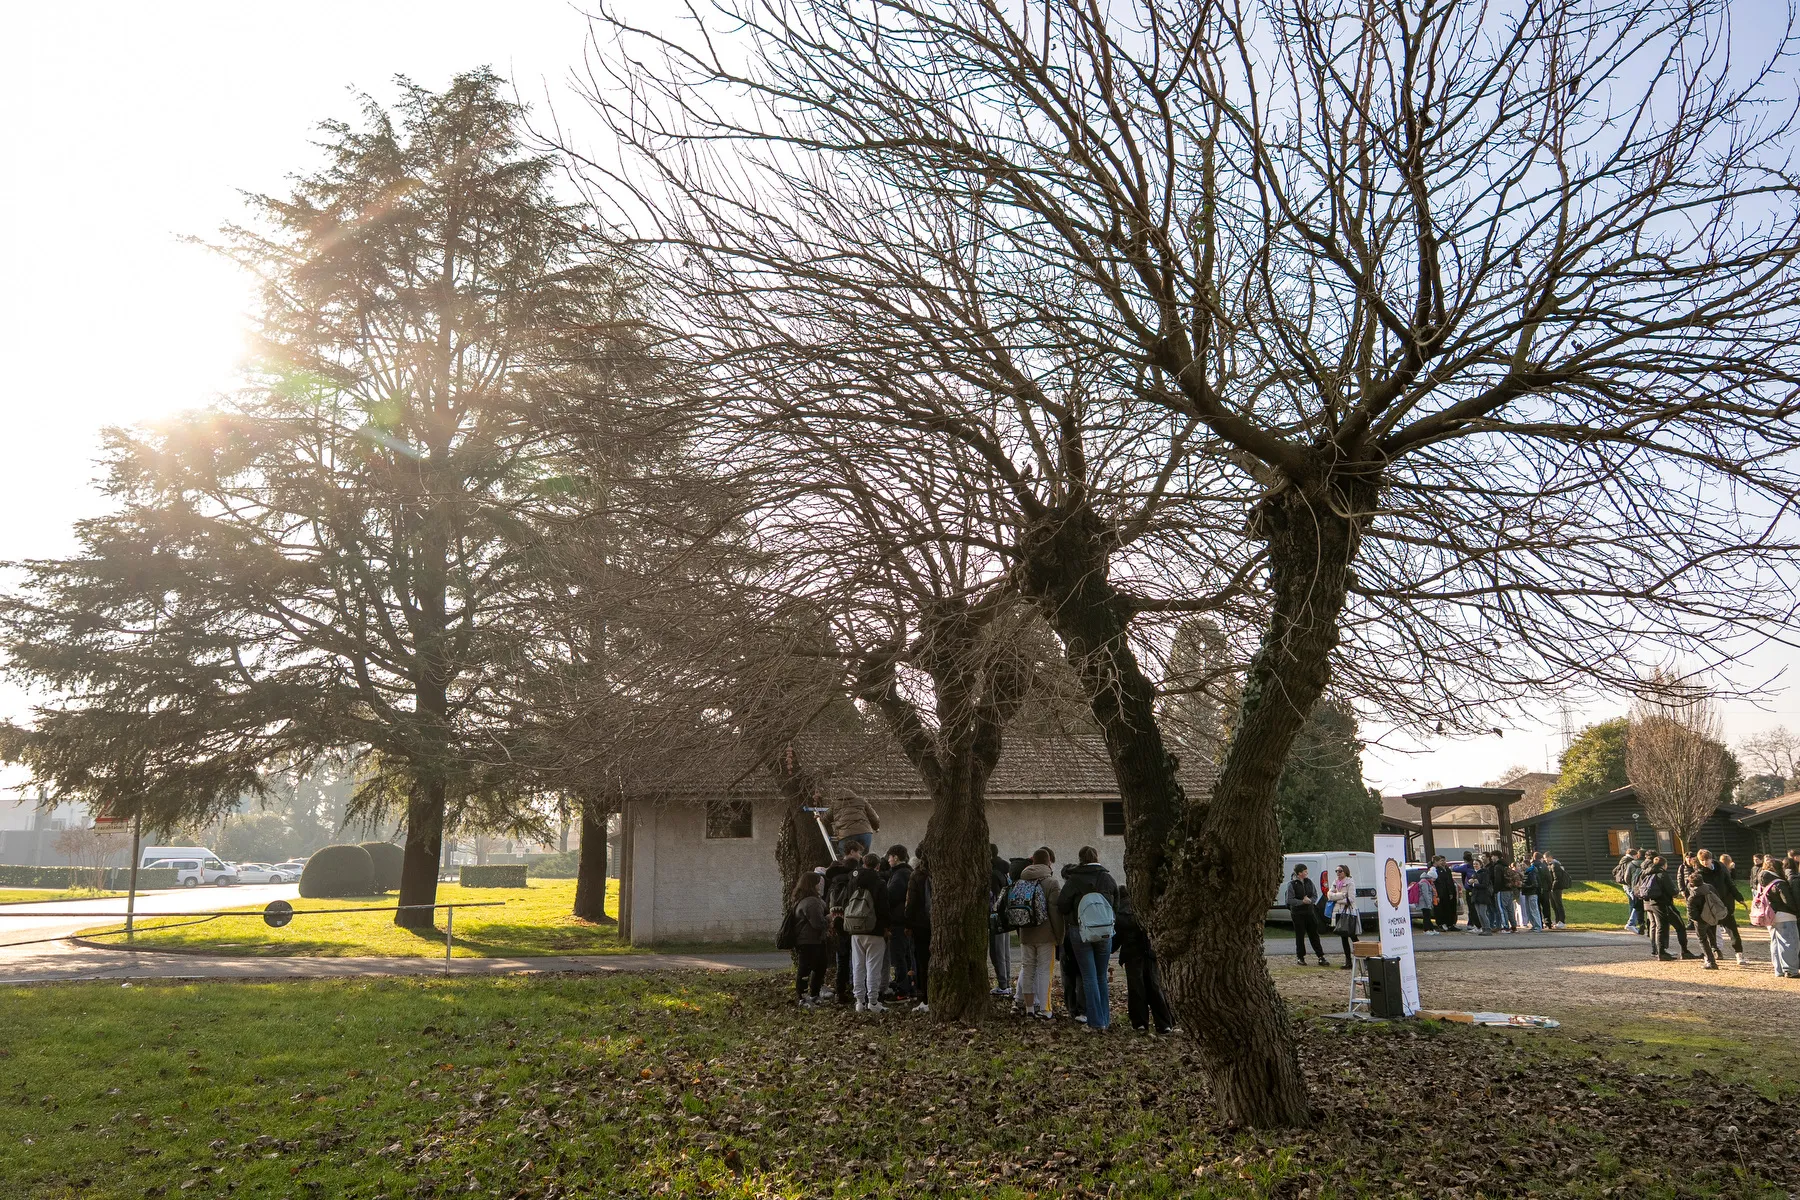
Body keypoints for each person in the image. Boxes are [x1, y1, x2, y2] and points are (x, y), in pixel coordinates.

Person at [1058, 846, 1119, 1031]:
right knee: (1101, 976)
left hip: (1080, 931)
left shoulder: (1074, 880)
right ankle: (1105, 1019)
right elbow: (1115, 905)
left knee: (1089, 976)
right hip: (1104, 931)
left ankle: (1095, 1022)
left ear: (1080, 859)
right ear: (1097, 857)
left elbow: (1062, 905)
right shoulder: (1107, 878)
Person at [1113, 886, 1174, 1034]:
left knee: (1136, 988)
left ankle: (1140, 1022)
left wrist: (1108, 949)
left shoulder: (1120, 914)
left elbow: (1117, 938)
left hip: (1131, 954)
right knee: (1154, 987)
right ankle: (1164, 1023)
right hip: (1150, 952)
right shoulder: (1144, 909)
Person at [1010, 849, 1062, 1018]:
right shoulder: (1051, 883)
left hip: (1025, 933)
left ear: (1032, 862)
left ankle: (1029, 1008)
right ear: (1048, 862)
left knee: (1028, 969)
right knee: (1044, 971)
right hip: (1046, 935)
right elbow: (1055, 913)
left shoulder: (1021, 881)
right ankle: (1045, 1010)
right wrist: (1059, 935)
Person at [841, 854, 892, 1012]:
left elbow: (845, 902)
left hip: (855, 928)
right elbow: (883, 907)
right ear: (877, 866)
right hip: (875, 929)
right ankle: (873, 1001)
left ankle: (859, 1001)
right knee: (873, 967)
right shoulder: (879, 882)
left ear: (863, 864)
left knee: (858, 965)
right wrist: (886, 927)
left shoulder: (852, 880)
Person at [823, 843, 864, 1005]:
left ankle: (840, 991)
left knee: (841, 958)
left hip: (837, 921)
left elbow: (827, 901)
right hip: (852, 920)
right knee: (857, 958)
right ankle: (857, 989)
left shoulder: (834, 881)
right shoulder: (852, 880)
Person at [1641, 854, 1698, 962]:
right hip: (1664, 903)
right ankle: (1684, 951)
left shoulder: (1647, 873)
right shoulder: (1662, 875)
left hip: (1650, 903)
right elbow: (1672, 891)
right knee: (1680, 926)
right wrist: (1676, 892)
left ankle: (1660, 952)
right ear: (1664, 865)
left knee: (1660, 927)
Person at [1697, 849, 1748, 966]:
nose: (1704, 862)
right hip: (1710, 906)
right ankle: (1715, 951)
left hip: (1725, 904)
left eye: (1706, 860)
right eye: (1702, 860)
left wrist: (1739, 898)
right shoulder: (1699, 872)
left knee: (1732, 930)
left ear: (1711, 859)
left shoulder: (1721, 868)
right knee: (1711, 932)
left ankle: (1739, 954)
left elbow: (1730, 884)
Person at [791, 872, 831, 1004]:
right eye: (818, 882)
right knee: (807, 968)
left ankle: (811, 994)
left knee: (818, 967)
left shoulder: (801, 900)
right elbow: (817, 923)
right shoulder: (812, 902)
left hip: (809, 940)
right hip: (810, 940)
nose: (820, 885)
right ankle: (805, 996)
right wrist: (828, 919)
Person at [1756, 859, 1800, 978]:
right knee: (1790, 942)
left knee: (1775, 943)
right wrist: (1796, 911)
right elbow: (1788, 901)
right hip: (1785, 915)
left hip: (1770, 916)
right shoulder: (1779, 883)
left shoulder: (1762, 882)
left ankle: (1778, 970)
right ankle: (1790, 970)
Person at [883, 845, 915, 1002]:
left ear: (895, 857)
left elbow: (891, 896)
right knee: (906, 955)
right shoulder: (906, 873)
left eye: (889, 857)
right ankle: (907, 984)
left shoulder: (899, 875)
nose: (888, 860)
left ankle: (902, 990)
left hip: (898, 921)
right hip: (904, 921)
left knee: (899, 956)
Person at [1682, 862, 1727, 970]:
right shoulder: (1710, 888)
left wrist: (1697, 920)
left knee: (1702, 940)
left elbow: (1691, 914)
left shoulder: (1693, 897)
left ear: (1691, 884)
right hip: (1712, 915)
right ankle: (1716, 951)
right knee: (1712, 936)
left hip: (1701, 920)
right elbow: (1718, 898)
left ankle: (1711, 961)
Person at [1285, 863, 1329, 965]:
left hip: (1309, 911)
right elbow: (1289, 900)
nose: (1306, 873)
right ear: (1299, 873)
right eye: (1305, 871)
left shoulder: (1309, 882)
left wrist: (1310, 901)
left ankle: (1320, 956)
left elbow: (1315, 895)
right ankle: (1300, 957)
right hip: (1298, 913)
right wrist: (1301, 902)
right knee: (1300, 935)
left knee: (1314, 934)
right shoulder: (1292, 884)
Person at [904, 854, 933, 1012]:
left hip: (921, 924)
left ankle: (926, 997)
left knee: (923, 961)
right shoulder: (941, 871)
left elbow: (911, 902)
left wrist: (908, 923)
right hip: (937, 923)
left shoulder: (916, 876)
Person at [988, 844, 1014, 998]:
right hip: (1005, 916)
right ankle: (1007, 983)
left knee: (996, 952)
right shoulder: (1004, 871)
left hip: (996, 917)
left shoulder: (992, 874)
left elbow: (992, 898)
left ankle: (1003, 984)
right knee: (1005, 951)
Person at [827, 789, 881, 856]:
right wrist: (876, 827)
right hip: (864, 833)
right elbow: (873, 816)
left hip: (846, 835)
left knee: (847, 856)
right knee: (862, 856)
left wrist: (819, 818)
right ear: (853, 794)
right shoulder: (861, 800)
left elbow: (826, 818)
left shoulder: (835, 804)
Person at [1326, 864, 1357, 968]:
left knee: (1353, 936)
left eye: (1340, 871)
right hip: (1338, 912)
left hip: (1348, 912)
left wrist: (1337, 899)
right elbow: (1329, 895)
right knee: (1343, 937)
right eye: (1337, 871)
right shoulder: (1335, 882)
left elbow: (1351, 899)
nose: (1338, 873)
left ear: (1345, 872)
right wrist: (1342, 895)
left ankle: (1363, 956)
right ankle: (1348, 961)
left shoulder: (1350, 882)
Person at [1620, 849, 1647, 935]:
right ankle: (1631, 923)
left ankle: (1635, 923)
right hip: (1640, 887)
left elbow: (1626, 877)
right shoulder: (1645, 864)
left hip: (1631, 886)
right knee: (1639, 905)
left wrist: (1631, 885)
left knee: (1634, 904)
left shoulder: (1626, 862)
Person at [1431, 856, 1459, 932]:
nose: (1443, 862)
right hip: (1441, 893)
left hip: (1450, 892)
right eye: (1441, 860)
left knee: (1451, 909)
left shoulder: (1447, 870)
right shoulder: (1435, 870)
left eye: (1444, 860)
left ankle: (1451, 924)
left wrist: (1451, 892)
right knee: (1441, 909)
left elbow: (1450, 881)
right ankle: (1441, 924)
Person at [1542, 852, 1569, 929]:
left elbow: (1557, 878)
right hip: (1553, 888)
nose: (1545, 860)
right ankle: (1557, 920)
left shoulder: (1555, 865)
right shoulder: (1551, 865)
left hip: (1556, 888)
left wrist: (1552, 887)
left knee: (1558, 904)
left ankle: (1562, 921)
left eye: (1545, 858)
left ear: (1549, 857)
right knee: (1554, 905)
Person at [1520, 854, 1544, 931]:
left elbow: (1534, 884)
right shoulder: (1527, 872)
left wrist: (1524, 886)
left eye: (1523, 865)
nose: (1522, 866)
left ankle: (1538, 926)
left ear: (1528, 865)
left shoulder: (1532, 872)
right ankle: (1534, 925)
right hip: (1527, 893)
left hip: (1532, 893)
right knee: (1529, 910)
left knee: (1534, 910)